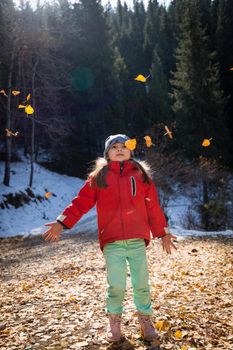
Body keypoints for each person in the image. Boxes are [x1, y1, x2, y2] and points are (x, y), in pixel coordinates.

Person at [42, 134, 177, 343]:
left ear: (131, 150)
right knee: (116, 285)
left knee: (141, 284)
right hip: (112, 241)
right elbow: (81, 203)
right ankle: (114, 322)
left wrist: (163, 233)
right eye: (114, 146)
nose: (120, 149)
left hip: (137, 240)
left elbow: (153, 207)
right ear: (107, 153)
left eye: (124, 146)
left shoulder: (141, 176)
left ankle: (145, 321)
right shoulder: (99, 177)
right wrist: (62, 222)